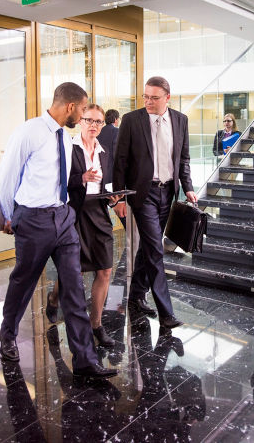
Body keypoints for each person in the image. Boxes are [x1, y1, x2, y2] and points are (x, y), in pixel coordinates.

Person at [0, 82, 116, 379]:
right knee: (23, 281)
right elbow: (7, 175)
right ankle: (7, 335)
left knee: (74, 288)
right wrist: (9, 215)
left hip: (63, 218)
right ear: (71, 107)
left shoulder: (64, 136)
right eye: (82, 109)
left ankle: (85, 359)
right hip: (33, 219)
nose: (83, 116)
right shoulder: (29, 131)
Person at [112, 76, 197, 329]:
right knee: (155, 249)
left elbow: (183, 159)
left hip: (168, 192)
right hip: (143, 193)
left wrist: (188, 187)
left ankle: (136, 295)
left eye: (154, 97)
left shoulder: (180, 120)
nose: (148, 101)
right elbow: (120, 161)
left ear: (167, 98)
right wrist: (118, 196)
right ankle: (166, 311)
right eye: (145, 97)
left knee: (149, 248)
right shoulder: (131, 120)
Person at [46, 104, 116, 348]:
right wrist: (81, 178)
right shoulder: (68, 147)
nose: (94, 126)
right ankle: (54, 299)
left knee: (105, 270)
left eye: (98, 121)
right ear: (80, 121)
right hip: (74, 214)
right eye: (89, 120)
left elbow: (106, 183)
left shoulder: (104, 151)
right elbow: (56, 182)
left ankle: (96, 325)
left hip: (99, 213)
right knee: (73, 271)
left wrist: (112, 196)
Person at [98, 109, 120, 185]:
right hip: (112, 171)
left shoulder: (99, 131)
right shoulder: (117, 131)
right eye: (118, 119)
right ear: (115, 119)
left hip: (100, 169)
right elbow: (116, 153)